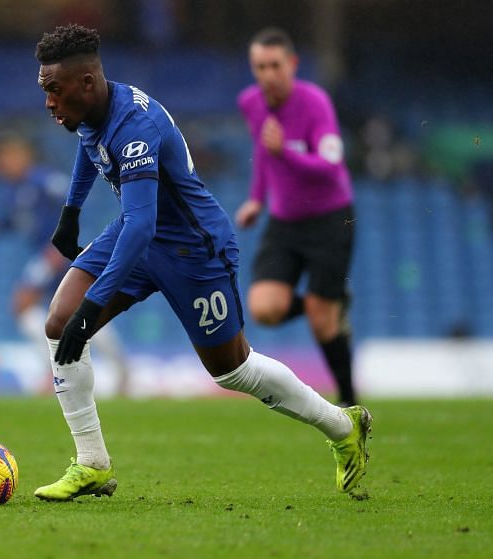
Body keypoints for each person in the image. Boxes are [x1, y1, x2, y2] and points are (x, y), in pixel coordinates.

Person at [31, 24, 372, 501]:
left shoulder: (136, 128)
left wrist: (95, 306)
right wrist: (71, 212)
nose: (48, 101)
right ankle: (91, 463)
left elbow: (142, 226)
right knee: (58, 321)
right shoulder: (93, 107)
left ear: (86, 83)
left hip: (192, 248)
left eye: (53, 90)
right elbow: (91, 147)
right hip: (138, 232)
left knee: (231, 370)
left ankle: (342, 426)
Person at [235, 27, 358, 406]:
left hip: (330, 219)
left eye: (274, 65)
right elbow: (262, 151)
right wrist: (257, 199)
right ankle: (333, 302)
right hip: (285, 222)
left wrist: (285, 151)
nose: (267, 74)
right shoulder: (250, 102)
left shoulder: (315, 102)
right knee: (264, 309)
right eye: (259, 66)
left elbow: (331, 165)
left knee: (323, 324)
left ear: (292, 64)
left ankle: (350, 402)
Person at [0, 135, 129, 394]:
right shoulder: (13, 191)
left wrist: (70, 242)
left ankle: (57, 371)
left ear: (23, 157)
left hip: (59, 253)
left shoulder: (42, 179)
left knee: (23, 302)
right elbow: (20, 221)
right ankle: (116, 368)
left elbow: (74, 204)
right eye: (1, 162)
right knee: (79, 312)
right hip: (45, 253)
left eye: (9, 159)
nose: (5, 166)